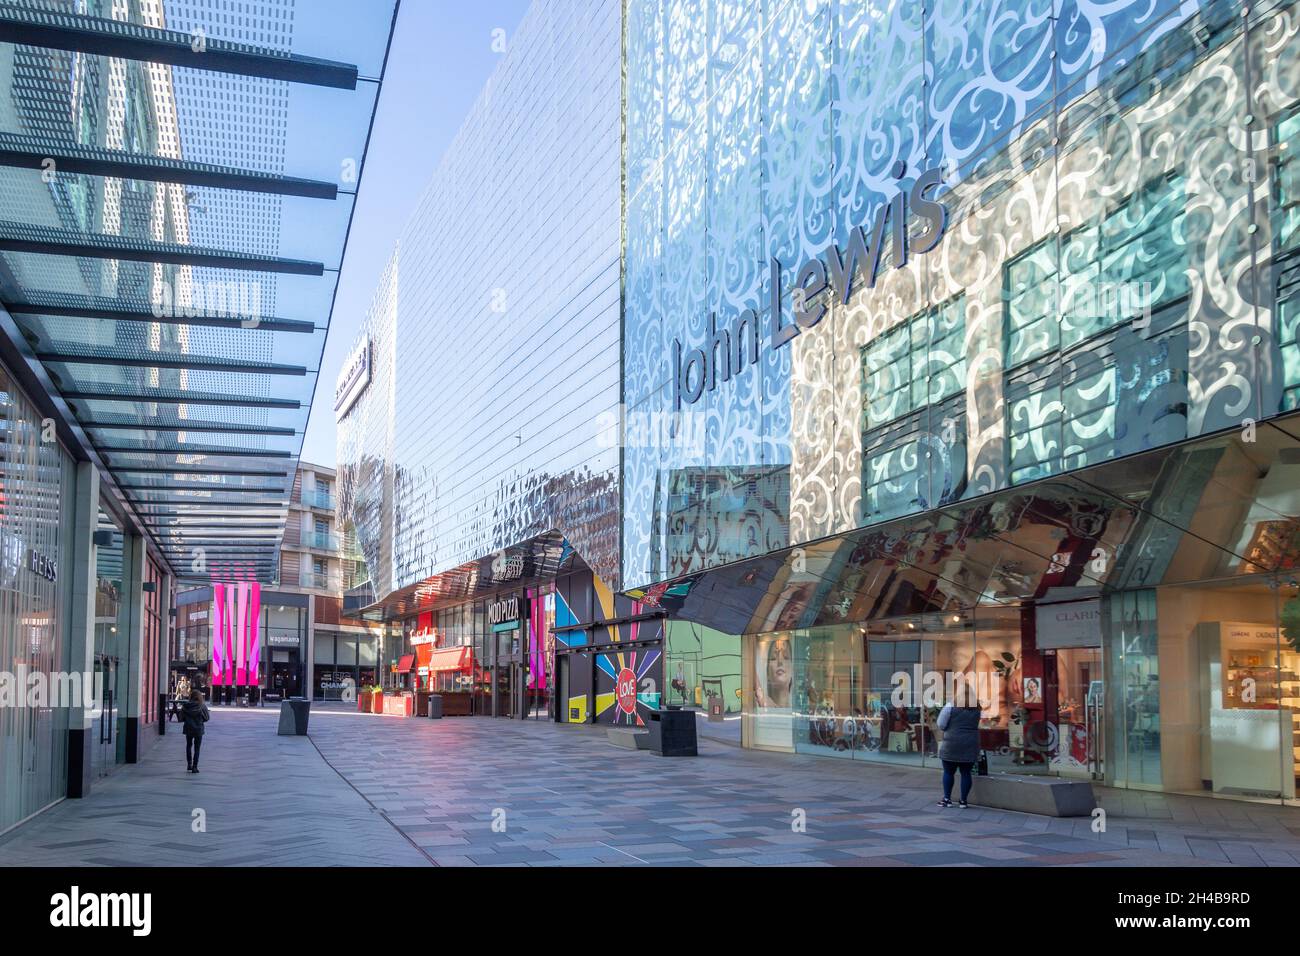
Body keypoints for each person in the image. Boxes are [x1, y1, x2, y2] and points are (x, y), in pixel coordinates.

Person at [936, 691, 982, 808]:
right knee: (966, 773)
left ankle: (947, 799)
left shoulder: (950, 707)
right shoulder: (977, 709)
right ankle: (963, 801)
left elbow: (941, 724)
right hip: (970, 744)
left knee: (948, 772)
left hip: (952, 743)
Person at [180, 688, 210, 774]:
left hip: (188, 728)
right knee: (197, 748)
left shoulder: (185, 706)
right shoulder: (202, 706)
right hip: (198, 729)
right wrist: (200, 721)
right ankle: (195, 767)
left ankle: (189, 764)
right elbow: (207, 718)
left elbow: (181, 718)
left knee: (188, 746)